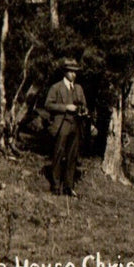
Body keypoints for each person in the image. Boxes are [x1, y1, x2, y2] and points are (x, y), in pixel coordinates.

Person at [42, 59, 88, 196]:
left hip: (76, 125)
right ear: (65, 72)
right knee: (58, 155)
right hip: (61, 125)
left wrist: (84, 110)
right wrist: (65, 107)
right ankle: (55, 186)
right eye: (71, 71)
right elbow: (48, 105)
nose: (74, 74)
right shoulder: (56, 87)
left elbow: (84, 105)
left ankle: (68, 186)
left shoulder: (79, 88)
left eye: (75, 72)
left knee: (72, 157)